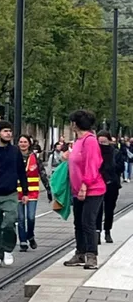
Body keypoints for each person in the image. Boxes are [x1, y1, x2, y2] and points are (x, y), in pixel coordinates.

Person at [0, 121, 29, 268]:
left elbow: (21, 171)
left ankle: (7, 249)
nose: (8, 133)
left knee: (9, 221)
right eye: (5, 131)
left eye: (9, 131)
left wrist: (25, 192)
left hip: (11, 193)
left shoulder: (15, 151)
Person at [62, 111, 105, 269]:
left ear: (75, 124)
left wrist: (84, 185)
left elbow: (92, 164)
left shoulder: (90, 141)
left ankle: (91, 256)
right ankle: (80, 253)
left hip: (92, 189)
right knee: (78, 223)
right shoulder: (78, 141)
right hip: (77, 189)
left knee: (88, 222)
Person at [16, 134, 51, 252]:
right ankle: (22, 241)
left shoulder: (35, 158)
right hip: (17, 192)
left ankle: (30, 235)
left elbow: (42, 173)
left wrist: (48, 189)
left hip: (32, 192)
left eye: (25, 142)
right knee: (20, 218)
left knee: (30, 217)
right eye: (20, 142)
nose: (22, 144)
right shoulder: (13, 157)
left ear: (29, 143)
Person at [96, 131, 122, 245]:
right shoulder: (95, 152)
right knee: (97, 209)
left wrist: (111, 167)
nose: (102, 144)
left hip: (112, 185)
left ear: (109, 141)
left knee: (109, 209)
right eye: (100, 142)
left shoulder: (115, 152)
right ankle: (97, 232)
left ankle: (107, 231)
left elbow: (120, 167)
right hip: (97, 184)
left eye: (104, 142)